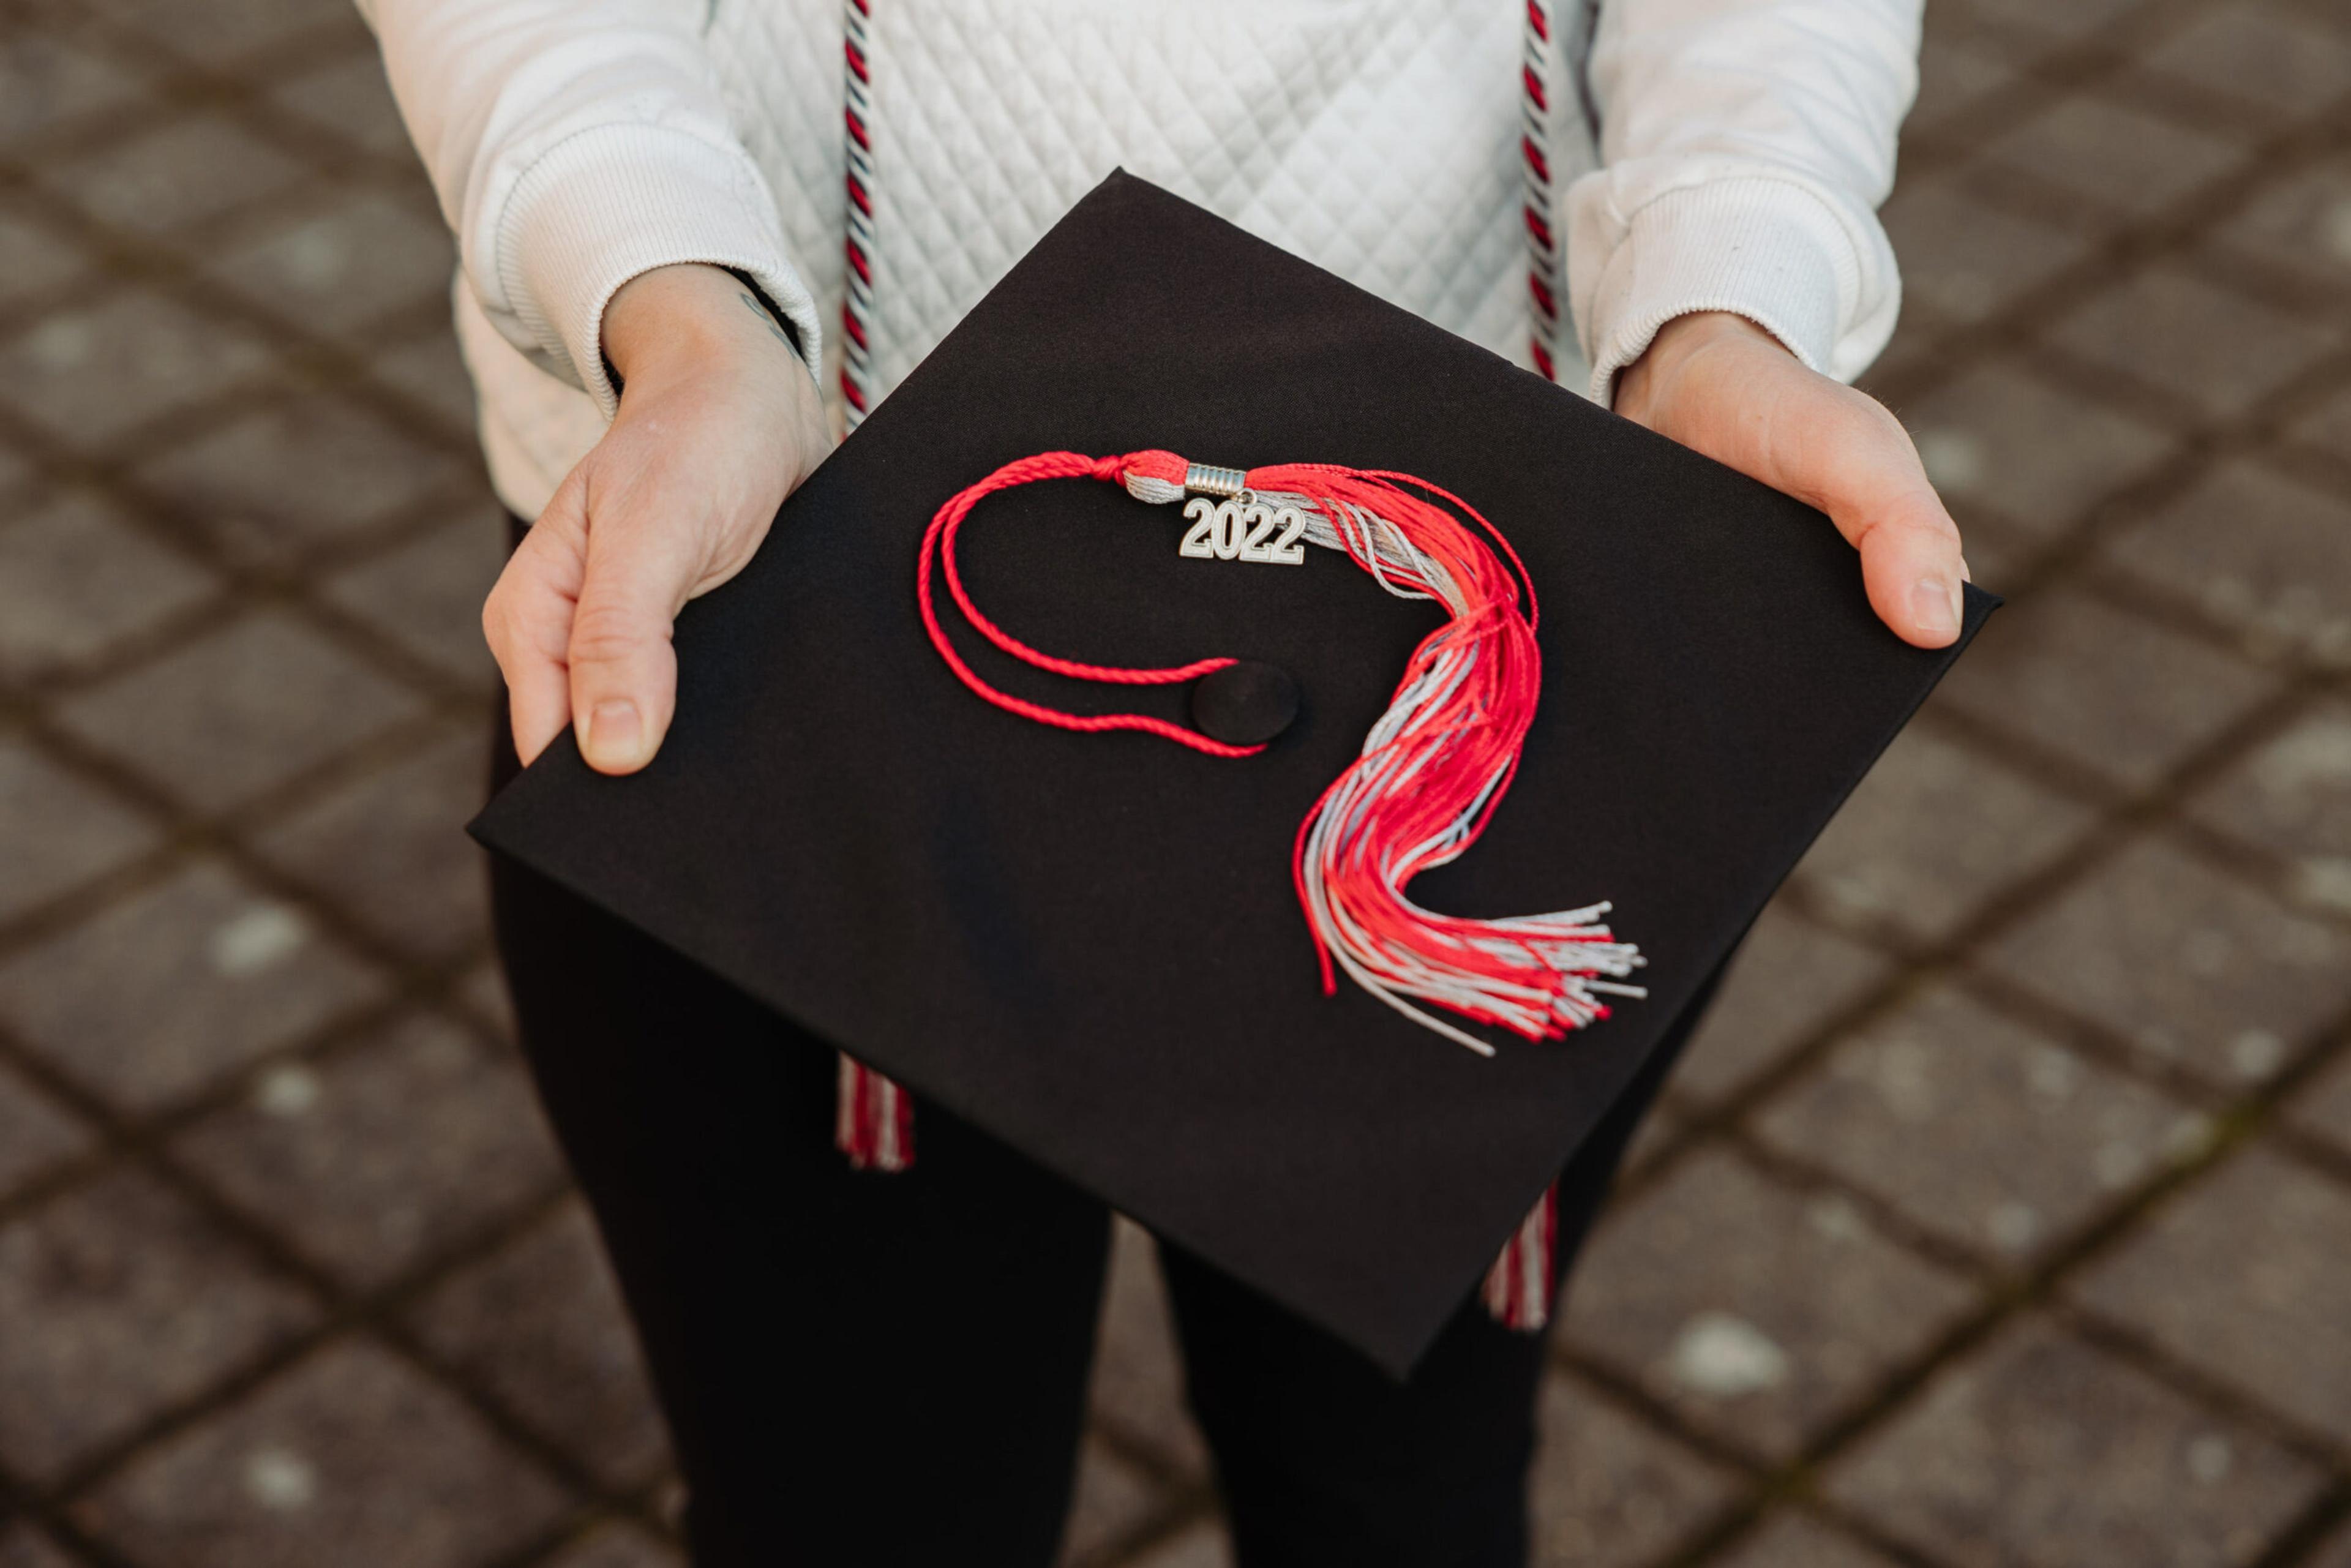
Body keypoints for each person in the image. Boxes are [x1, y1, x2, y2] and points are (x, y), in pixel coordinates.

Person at [359, 2, 1963, 1562]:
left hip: (1468, 574)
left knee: (1401, 1488)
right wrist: (667, 295)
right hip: (773, 539)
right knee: (858, 1498)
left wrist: (1729, 287)